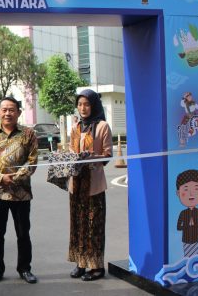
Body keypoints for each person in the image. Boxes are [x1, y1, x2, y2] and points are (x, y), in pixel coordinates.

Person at [0, 97, 39, 284]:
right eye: (4, 109)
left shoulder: (28, 134)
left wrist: (15, 177)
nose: (8, 113)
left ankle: (25, 268)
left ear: (18, 112)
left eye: (12, 109)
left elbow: (33, 161)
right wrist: (1, 177)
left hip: (21, 193)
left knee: (23, 233)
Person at [67, 89, 113, 281]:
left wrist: (91, 158)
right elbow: (70, 149)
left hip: (93, 185)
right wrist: (72, 158)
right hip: (76, 185)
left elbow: (108, 154)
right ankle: (80, 263)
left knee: (93, 225)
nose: (83, 108)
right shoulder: (75, 127)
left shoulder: (102, 126)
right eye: (80, 104)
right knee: (78, 225)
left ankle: (96, 267)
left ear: (93, 105)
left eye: (86, 104)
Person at [175, 169, 198, 258]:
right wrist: (186, 226)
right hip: (186, 239)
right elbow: (178, 227)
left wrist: (195, 225)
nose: (191, 193)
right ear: (178, 193)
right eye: (186, 189)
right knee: (186, 257)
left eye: (196, 188)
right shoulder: (183, 213)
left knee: (195, 257)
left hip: (196, 238)